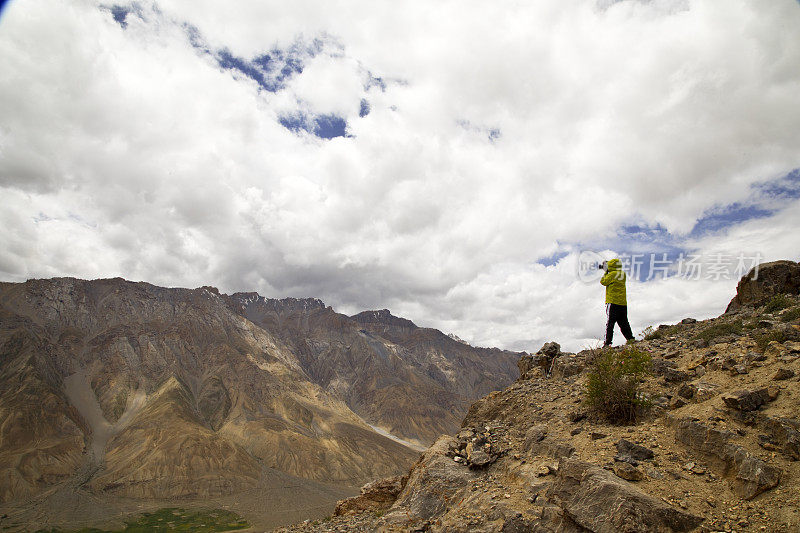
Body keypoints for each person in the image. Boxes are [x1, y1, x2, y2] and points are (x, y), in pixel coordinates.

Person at [600, 258, 634, 346]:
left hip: (612, 302)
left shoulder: (611, 274)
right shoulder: (623, 274)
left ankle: (607, 343)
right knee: (624, 323)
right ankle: (630, 339)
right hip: (622, 303)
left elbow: (603, 281)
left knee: (610, 323)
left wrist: (606, 272)